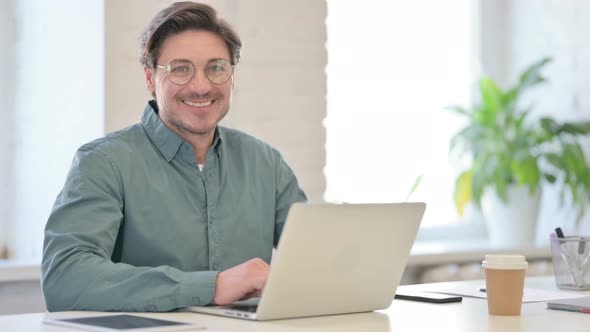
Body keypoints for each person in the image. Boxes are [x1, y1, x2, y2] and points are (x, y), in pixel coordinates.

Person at [41, 1, 307, 312]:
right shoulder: (103, 163)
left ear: (232, 76)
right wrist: (214, 286)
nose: (200, 85)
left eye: (216, 67)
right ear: (150, 78)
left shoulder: (266, 164)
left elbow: (317, 262)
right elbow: (65, 278)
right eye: (180, 69)